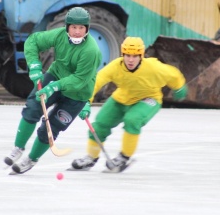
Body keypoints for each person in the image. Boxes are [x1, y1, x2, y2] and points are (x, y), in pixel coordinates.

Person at [4, 7, 102, 174]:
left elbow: (79, 80)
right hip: (55, 75)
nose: (77, 32)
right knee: (33, 107)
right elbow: (33, 41)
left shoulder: (91, 51)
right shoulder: (59, 36)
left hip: (77, 93)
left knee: (51, 126)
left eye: (81, 28)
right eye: (73, 27)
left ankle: (31, 159)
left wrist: (54, 87)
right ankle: (18, 148)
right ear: (67, 27)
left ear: (87, 29)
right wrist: (34, 66)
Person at [72, 36, 188, 172]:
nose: (130, 60)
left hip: (148, 99)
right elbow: (96, 81)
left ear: (141, 56)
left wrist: (179, 88)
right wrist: (86, 101)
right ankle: (91, 157)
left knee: (133, 120)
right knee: (99, 124)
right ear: (123, 54)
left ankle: (124, 157)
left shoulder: (153, 67)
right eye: (127, 55)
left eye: (135, 56)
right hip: (122, 98)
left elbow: (173, 75)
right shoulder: (116, 66)